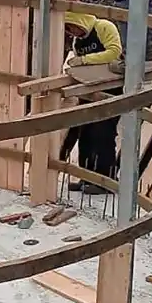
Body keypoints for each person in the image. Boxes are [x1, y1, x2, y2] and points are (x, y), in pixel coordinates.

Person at [58, 11, 122, 195]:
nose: (71, 33)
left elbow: (114, 52)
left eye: (72, 28)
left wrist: (84, 60)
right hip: (89, 91)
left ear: (79, 21)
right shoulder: (78, 42)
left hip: (111, 89)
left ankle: (106, 181)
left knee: (103, 134)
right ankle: (87, 178)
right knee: (85, 135)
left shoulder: (103, 27)